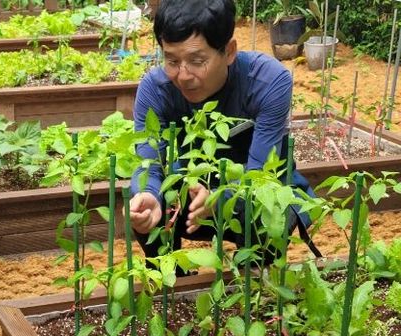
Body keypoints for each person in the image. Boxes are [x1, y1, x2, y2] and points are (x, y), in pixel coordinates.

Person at [129, 0, 317, 263]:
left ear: (229, 51)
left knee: (271, 212)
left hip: (252, 194)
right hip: (191, 194)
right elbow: (149, 164)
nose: (183, 75)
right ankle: (171, 279)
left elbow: (261, 177)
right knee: (148, 206)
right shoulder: (156, 89)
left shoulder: (267, 81)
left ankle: (255, 275)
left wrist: (220, 197)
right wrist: (148, 192)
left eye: (197, 61)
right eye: (171, 60)